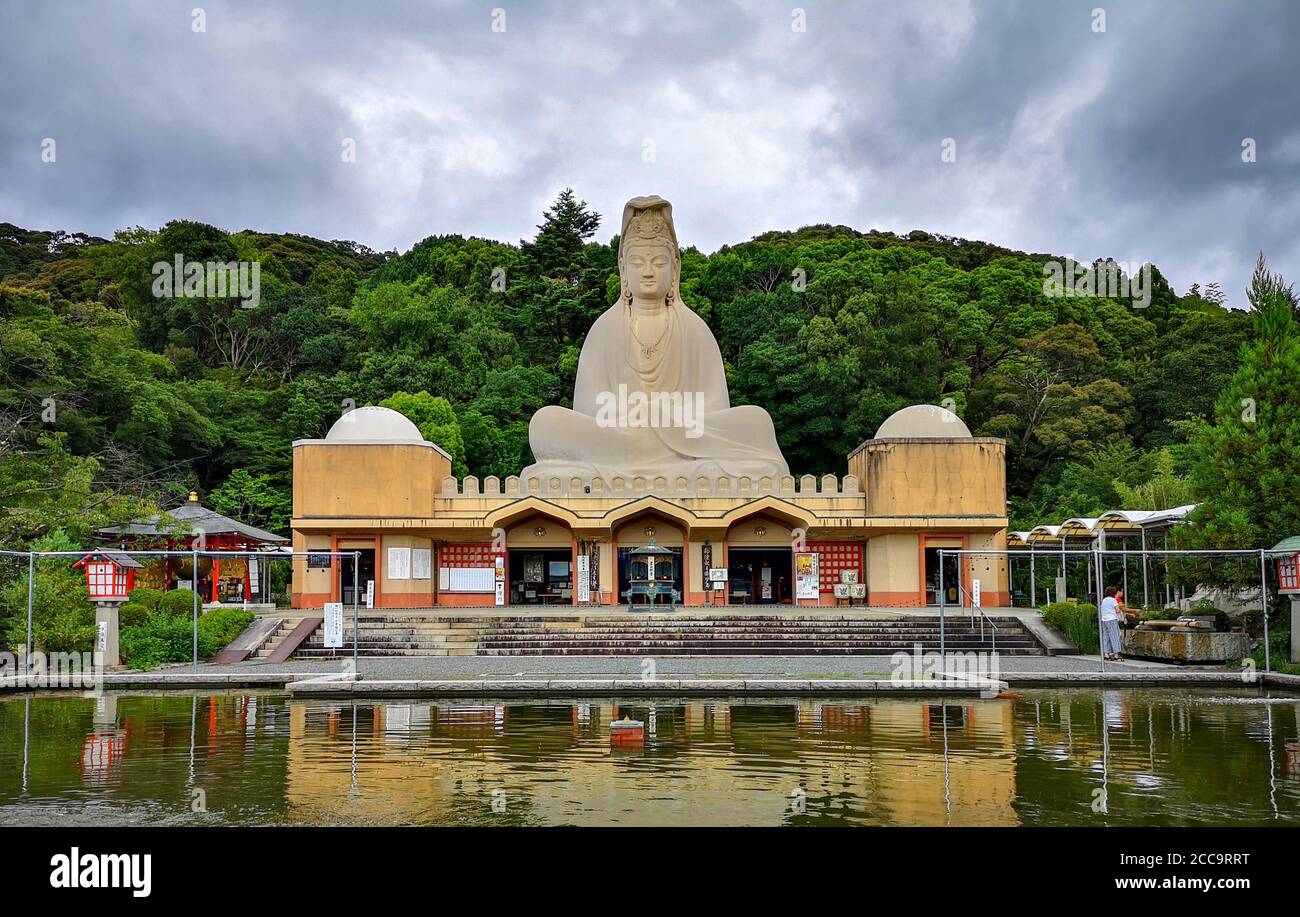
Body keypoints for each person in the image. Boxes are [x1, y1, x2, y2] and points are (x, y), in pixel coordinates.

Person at [1100, 585, 1124, 661]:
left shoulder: (1104, 600)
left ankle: (1106, 654)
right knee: (1115, 636)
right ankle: (1116, 655)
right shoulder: (1113, 600)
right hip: (1112, 619)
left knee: (1106, 637)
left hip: (1104, 620)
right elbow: (1117, 610)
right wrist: (1120, 612)